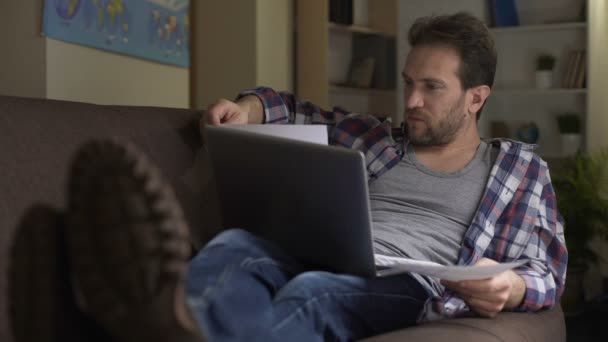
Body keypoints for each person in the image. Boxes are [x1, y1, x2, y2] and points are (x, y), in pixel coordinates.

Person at [10, 12, 566, 342]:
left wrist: (511, 285)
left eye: (431, 88)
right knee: (238, 247)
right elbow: (300, 111)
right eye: (408, 82)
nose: (411, 100)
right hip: (332, 250)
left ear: (477, 98)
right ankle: (171, 320)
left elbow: (547, 268)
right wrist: (249, 109)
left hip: (413, 283)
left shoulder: (516, 168)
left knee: (313, 294)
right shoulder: (379, 138)